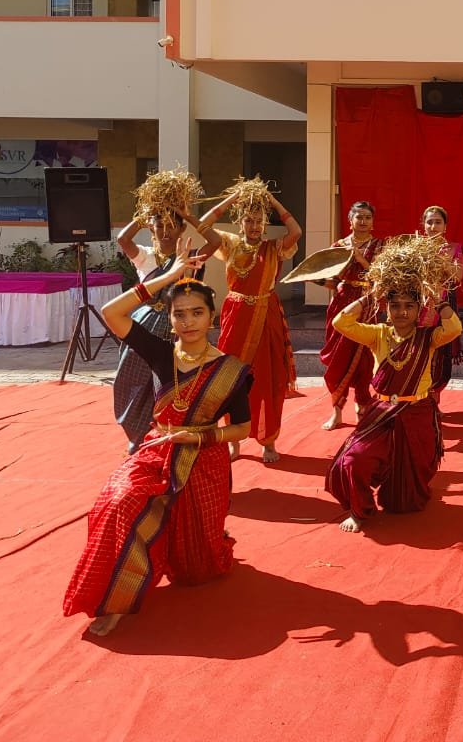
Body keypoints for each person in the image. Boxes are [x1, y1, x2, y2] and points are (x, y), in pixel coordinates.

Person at [63, 242, 251, 637]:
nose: (188, 322)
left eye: (197, 313)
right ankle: (115, 599)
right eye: (179, 314)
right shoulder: (160, 352)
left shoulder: (231, 371)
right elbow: (113, 313)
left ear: (212, 317)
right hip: (157, 451)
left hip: (203, 460)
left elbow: (243, 429)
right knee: (117, 502)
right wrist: (164, 278)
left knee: (197, 571)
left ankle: (213, 540)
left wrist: (200, 435)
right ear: (169, 318)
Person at [325, 245, 462, 532]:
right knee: (354, 460)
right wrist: (370, 296)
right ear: (386, 307)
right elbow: (341, 322)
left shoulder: (429, 337)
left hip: (417, 412)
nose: (401, 312)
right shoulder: (378, 334)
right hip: (382, 413)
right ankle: (359, 510)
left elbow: (454, 328)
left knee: (404, 500)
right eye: (395, 305)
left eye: (409, 306)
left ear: (418, 309)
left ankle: (396, 491)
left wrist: (438, 301)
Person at [200, 185, 302, 463]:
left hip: (266, 314)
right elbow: (202, 225)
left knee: (268, 378)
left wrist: (272, 200)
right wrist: (232, 197)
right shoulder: (229, 244)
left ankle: (268, 441)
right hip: (236, 315)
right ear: (239, 221)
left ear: (265, 223)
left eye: (259, 220)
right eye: (248, 219)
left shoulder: (274, 248)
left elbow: (296, 232)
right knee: (232, 378)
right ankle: (234, 439)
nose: (254, 225)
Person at [112, 204, 219, 452]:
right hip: (144, 327)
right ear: (152, 228)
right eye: (160, 225)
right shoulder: (145, 256)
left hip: (179, 329)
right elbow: (122, 238)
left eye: (172, 225)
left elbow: (214, 241)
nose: (165, 231)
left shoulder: (190, 257)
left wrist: (188, 215)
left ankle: (172, 442)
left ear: (182, 228)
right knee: (133, 383)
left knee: (174, 386)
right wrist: (146, 211)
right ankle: (139, 438)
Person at [318, 201, 382, 430]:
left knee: (364, 360)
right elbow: (332, 281)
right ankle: (337, 411)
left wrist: (358, 256)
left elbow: (378, 276)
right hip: (341, 303)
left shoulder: (379, 245)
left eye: (367, 217)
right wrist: (313, 278)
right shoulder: (338, 245)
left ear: (373, 221)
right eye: (359, 217)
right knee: (337, 359)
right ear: (350, 220)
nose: (363, 221)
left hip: (366, 304)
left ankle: (362, 406)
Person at [419, 205, 463, 399]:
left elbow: (458, 276)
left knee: (439, 351)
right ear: (423, 225)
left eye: (438, 222)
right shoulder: (415, 248)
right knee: (418, 350)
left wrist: (439, 260)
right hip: (417, 306)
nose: (433, 226)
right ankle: (417, 392)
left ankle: (435, 394)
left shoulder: (453, 249)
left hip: (442, 304)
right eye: (429, 222)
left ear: (445, 227)